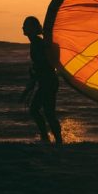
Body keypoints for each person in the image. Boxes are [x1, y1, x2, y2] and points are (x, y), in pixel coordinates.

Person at [19, 16, 63, 145]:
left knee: (42, 111)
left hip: (48, 81)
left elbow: (45, 63)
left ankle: (52, 139)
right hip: (46, 81)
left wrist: (33, 78)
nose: (23, 27)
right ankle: (52, 139)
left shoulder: (38, 43)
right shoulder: (35, 42)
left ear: (32, 29)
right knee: (44, 111)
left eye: (26, 25)